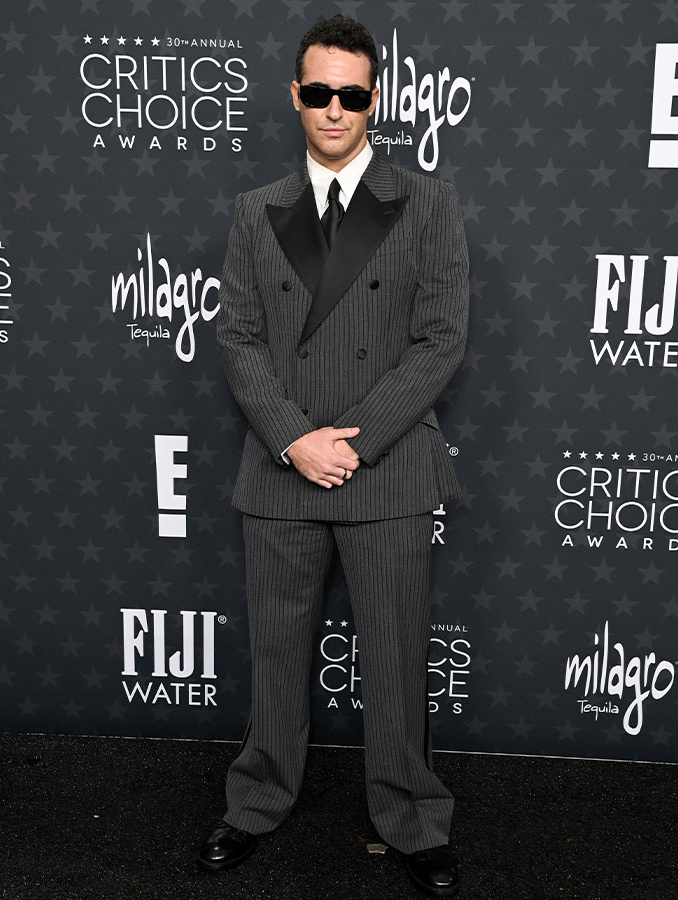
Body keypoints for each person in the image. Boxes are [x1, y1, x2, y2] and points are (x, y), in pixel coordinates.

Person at [198, 14, 469, 897]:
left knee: (395, 655)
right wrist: (291, 438)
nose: (334, 109)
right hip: (282, 465)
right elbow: (236, 338)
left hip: (383, 466)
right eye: (318, 92)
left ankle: (412, 818)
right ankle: (256, 803)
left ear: (374, 99)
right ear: (295, 96)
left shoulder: (426, 204)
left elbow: (439, 342)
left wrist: (346, 443)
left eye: (352, 94)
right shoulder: (255, 212)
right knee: (275, 654)